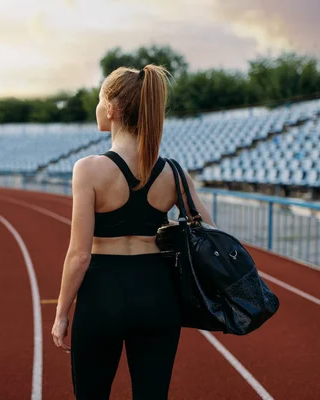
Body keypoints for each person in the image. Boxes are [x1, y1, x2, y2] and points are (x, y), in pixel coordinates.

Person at [51, 64, 216, 399]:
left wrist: (61, 313)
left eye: (99, 99)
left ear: (111, 109)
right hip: (158, 294)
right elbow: (209, 231)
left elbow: (80, 255)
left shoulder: (89, 169)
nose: (97, 108)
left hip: (102, 296)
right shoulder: (171, 171)